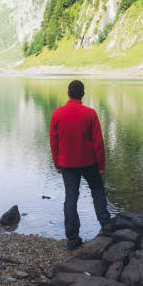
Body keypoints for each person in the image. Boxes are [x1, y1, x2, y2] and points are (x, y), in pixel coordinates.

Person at [50, 80, 112, 250]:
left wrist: (57, 163)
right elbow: (98, 142)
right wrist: (101, 164)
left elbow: (53, 141)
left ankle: (72, 238)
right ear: (82, 94)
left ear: (68, 93)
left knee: (71, 197)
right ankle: (105, 224)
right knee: (97, 190)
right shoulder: (90, 113)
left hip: (67, 164)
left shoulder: (57, 113)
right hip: (89, 161)